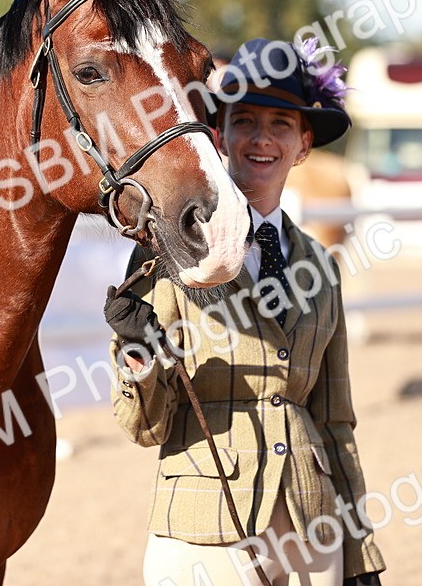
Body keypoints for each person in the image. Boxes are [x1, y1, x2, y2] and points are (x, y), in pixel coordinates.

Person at [105, 37, 385, 586]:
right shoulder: (169, 258)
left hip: (313, 527)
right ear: (220, 135)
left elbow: (336, 422)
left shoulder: (321, 268)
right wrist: (140, 355)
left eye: (281, 124)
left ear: (303, 144)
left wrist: (361, 556)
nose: (262, 139)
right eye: (245, 122)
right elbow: (144, 427)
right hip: (204, 525)